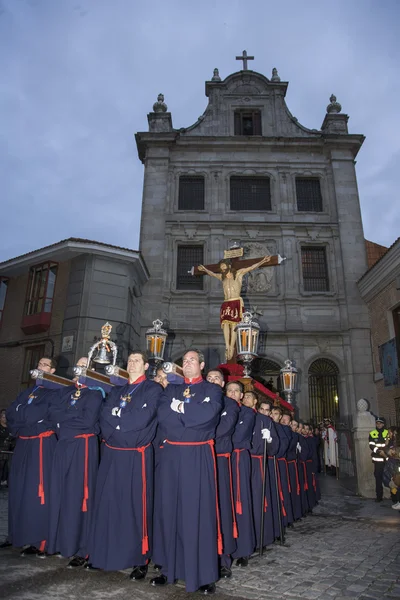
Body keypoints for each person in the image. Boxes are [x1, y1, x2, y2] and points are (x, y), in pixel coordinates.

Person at [151, 349, 223, 594]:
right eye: (184, 360)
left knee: (197, 513)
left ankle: (203, 574)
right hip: (171, 455)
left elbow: (208, 415)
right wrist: (186, 414)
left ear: (202, 364)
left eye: (192, 360)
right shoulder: (170, 389)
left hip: (197, 454)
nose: (188, 363)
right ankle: (168, 568)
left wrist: (179, 409)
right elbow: (163, 416)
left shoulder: (212, 390)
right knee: (168, 511)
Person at [86, 351, 162, 577]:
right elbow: (104, 416)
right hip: (112, 452)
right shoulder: (116, 389)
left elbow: (144, 417)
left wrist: (119, 423)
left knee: (134, 507)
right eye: (129, 360)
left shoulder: (153, 389)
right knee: (108, 504)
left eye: (137, 360)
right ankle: (103, 553)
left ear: (146, 366)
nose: (132, 363)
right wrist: (118, 424)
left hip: (135, 455)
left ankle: (139, 558)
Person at [47, 357, 104, 566]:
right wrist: (68, 420)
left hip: (82, 447)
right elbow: (53, 414)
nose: (80, 367)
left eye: (85, 365)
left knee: (79, 495)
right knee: (60, 493)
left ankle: (82, 548)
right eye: (78, 364)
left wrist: (65, 421)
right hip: (63, 445)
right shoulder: (65, 391)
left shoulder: (95, 394)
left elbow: (88, 420)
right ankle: (59, 542)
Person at [6, 357, 58, 556]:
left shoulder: (55, 392)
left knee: (37, 492)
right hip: (24, 442)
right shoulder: (27, 392)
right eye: (39, 364)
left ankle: (38, 540)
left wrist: (24, 414)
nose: (40, 367)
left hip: (41, 444)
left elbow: (41, 414)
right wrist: (25, 414)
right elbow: (11, 413)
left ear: (52, 370)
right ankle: (17, 535)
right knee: (18, 488)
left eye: (45, 365)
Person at [198, 256, 271, 360]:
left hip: (235, 301)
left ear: (229, 266)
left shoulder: (238, 274)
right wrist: (205, 269)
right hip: (226, 302)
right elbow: (212, 274)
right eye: (221, 268)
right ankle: (227, 345)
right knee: (225, 324)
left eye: (224, 267)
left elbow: (251, 267)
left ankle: (232, 345)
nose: (223, 270)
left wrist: (262, 261)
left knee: (234, 324)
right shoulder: (222, 277)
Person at [206, 368, 239, 579]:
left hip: (218, 459)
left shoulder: (230, 405)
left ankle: (224, 559)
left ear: (223, 384)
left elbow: (223, 429)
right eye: (208, 378)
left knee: (222, 509)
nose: (212, 381)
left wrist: (196, 429)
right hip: (198, 458)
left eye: (216, 378)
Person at [227, 381, 256, 567]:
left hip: (238, 458)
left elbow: (238, 437)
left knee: (241, 502)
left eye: (236, 391)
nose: (232, 393)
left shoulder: (247, 413)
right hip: (222, 457)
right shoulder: (219, 408)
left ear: (241, 395)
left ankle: (244, 549)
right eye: (229, 390)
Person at [251, 399, 279, 549]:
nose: (263, 412)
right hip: (248, 462)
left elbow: (274, 449)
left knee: (261, 501)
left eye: (267, 410)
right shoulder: (250, 418)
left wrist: (269, 439)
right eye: (261, 409)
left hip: (261, 463)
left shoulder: (269, 424)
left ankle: (263, 538)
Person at [369, 417, 389, 503]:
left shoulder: (387, 432)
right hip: (377, 460)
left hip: (387, 459)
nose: (378, 424)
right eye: (377, 423)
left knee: (391, 478)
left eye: (380, 423)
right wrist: (378, 451)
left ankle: (394, 495)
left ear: (383, 424)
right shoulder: (372, 433)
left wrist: (384, 452)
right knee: (378, 478)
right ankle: (379, 496)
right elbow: (371, 445)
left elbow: (389, 444)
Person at [0, 409, 13, 487]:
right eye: (3, 417)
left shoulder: (10, 427)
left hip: (8, 451)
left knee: (7, 469)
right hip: (1, 451)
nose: (5, 419)